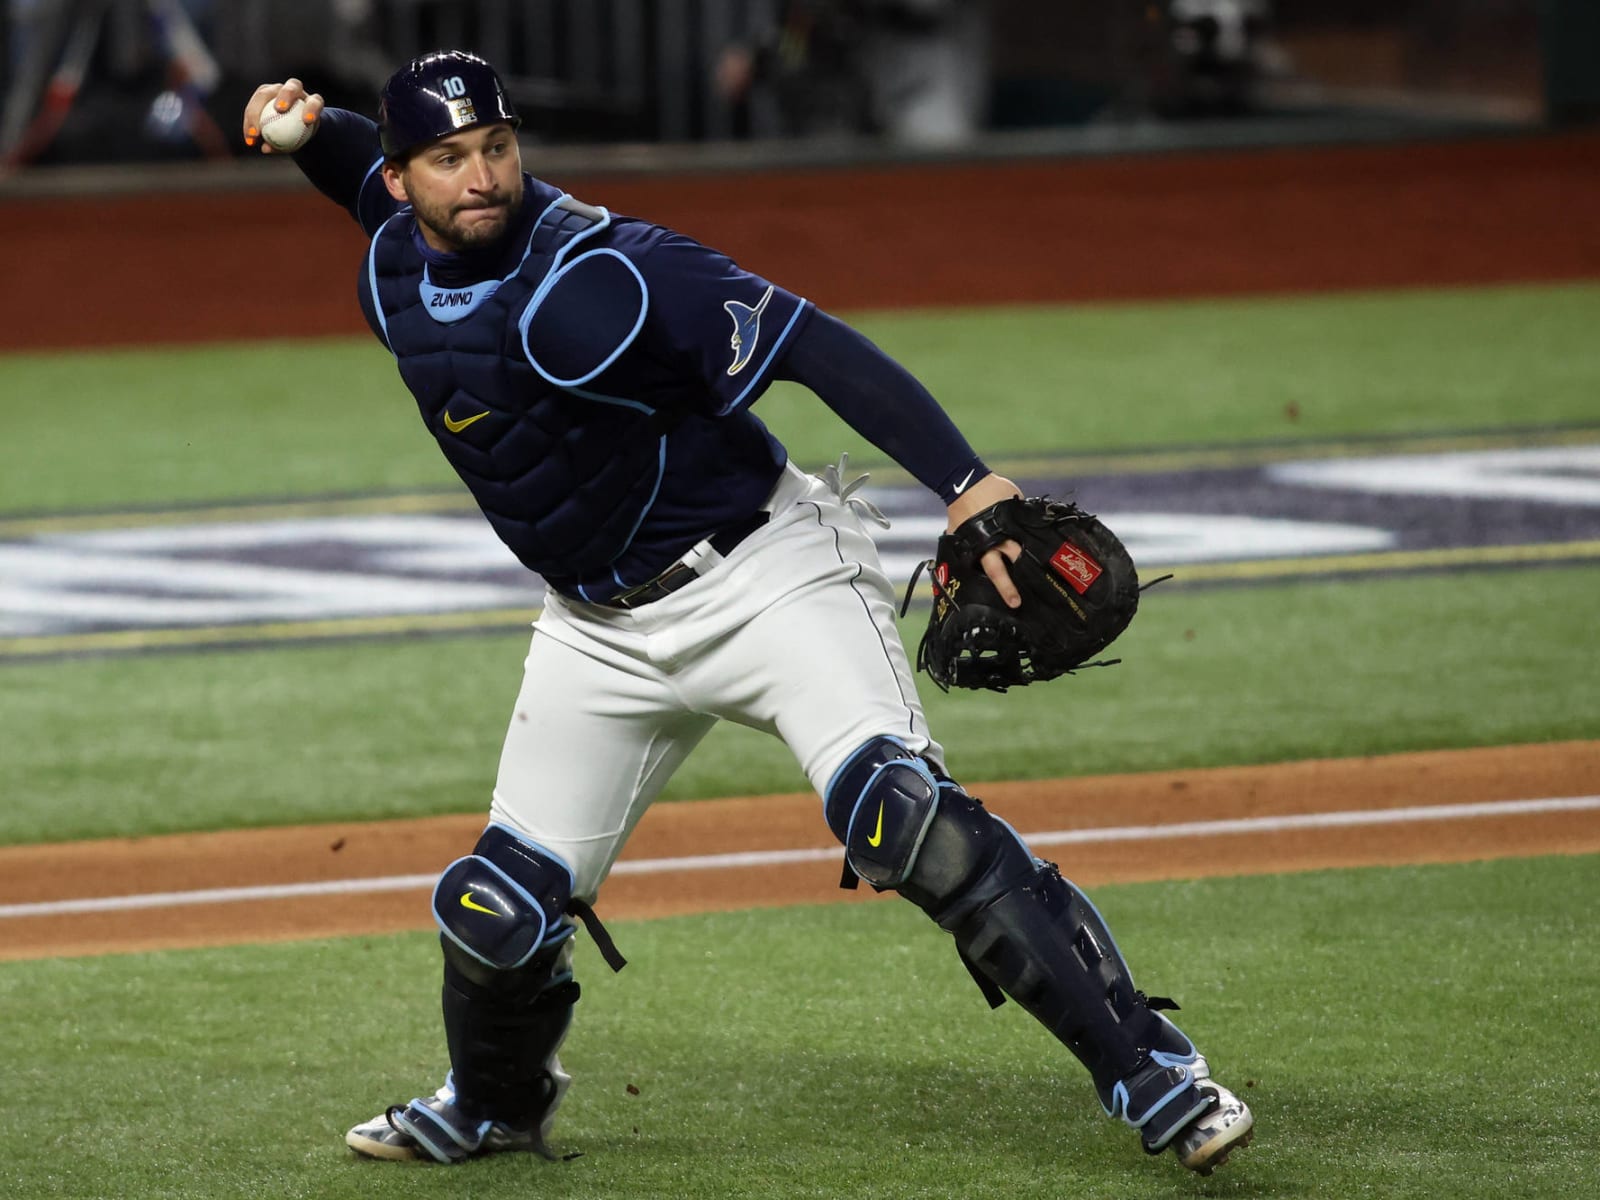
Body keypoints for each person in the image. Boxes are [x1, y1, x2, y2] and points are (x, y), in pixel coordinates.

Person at [241, 51, 1254, 1175]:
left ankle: (1149, 1069)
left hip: (763, 578)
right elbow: (360, 175)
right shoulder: (394, 251)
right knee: (494, 910)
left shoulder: (614, 274)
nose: (481, 176)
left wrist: (965, 483)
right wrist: (310, 130)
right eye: (447, 158)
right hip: (597, 632)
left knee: (903, 820)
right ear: (400, 179)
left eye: (496, 147)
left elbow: (813, 342)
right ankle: (492, 1106)